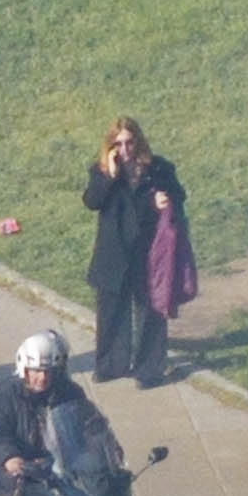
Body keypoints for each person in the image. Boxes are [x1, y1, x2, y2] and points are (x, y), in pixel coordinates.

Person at [82, 119, 187, 384]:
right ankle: (111, 364)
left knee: (150, 312)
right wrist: (111, 174)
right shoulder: (102, 171)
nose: (125, 148)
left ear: (138, 141)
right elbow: (92, 201)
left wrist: (164, 199)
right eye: (118, 143)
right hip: (114, 252)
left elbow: (178, 195)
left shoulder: (157, 168)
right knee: (111, 312)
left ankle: (148, 369)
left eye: (129, 142)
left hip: (149, 252)